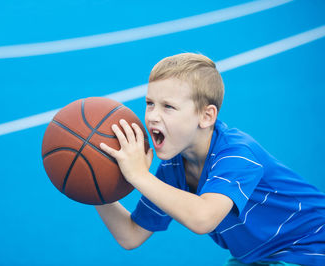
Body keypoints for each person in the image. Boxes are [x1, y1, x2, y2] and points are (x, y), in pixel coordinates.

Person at [96, 53, 325, 266]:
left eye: (168, 107)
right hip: (260, 258)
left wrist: (139, 175)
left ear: (206, 116)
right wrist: (94, 185)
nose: (153, 116)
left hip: (309, 248)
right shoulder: (174, 167)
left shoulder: (238, 154)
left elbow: (202, 219)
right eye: (150, 103)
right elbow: (131, 235)